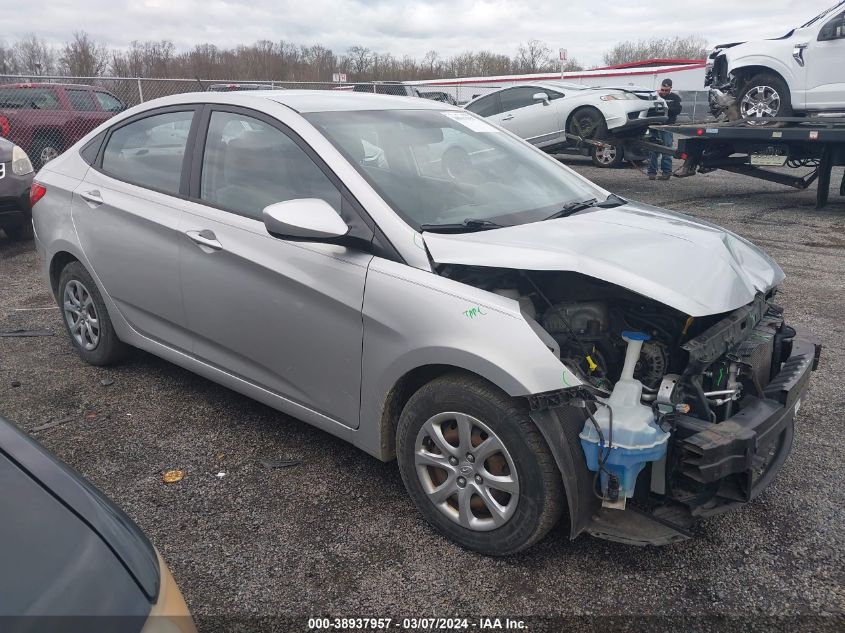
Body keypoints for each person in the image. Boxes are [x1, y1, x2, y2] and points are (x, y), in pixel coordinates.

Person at [648, 78, 683, 180]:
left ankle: (666, 173)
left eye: (666, 90)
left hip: (667, 127)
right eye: (662, 90)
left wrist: (665, 108)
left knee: (667, 150)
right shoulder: (655, 96)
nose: (663, 92)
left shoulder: (675, 98)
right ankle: (651, 172)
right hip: (654, 126)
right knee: (652, 150)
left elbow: (677, 110)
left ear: (670, 88)